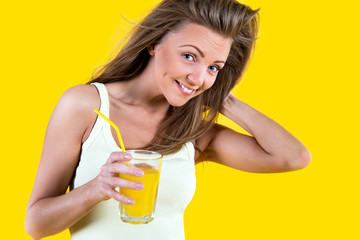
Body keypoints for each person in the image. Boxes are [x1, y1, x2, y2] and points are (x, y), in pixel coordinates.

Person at [25, 0, 311, 239]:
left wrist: (224, 99)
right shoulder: (86, 106)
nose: (198, 78)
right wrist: (95, 188)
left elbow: (293, 157)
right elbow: (36, 225)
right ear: (153, 43)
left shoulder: (193, 132)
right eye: (189, 56)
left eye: (214, 67)